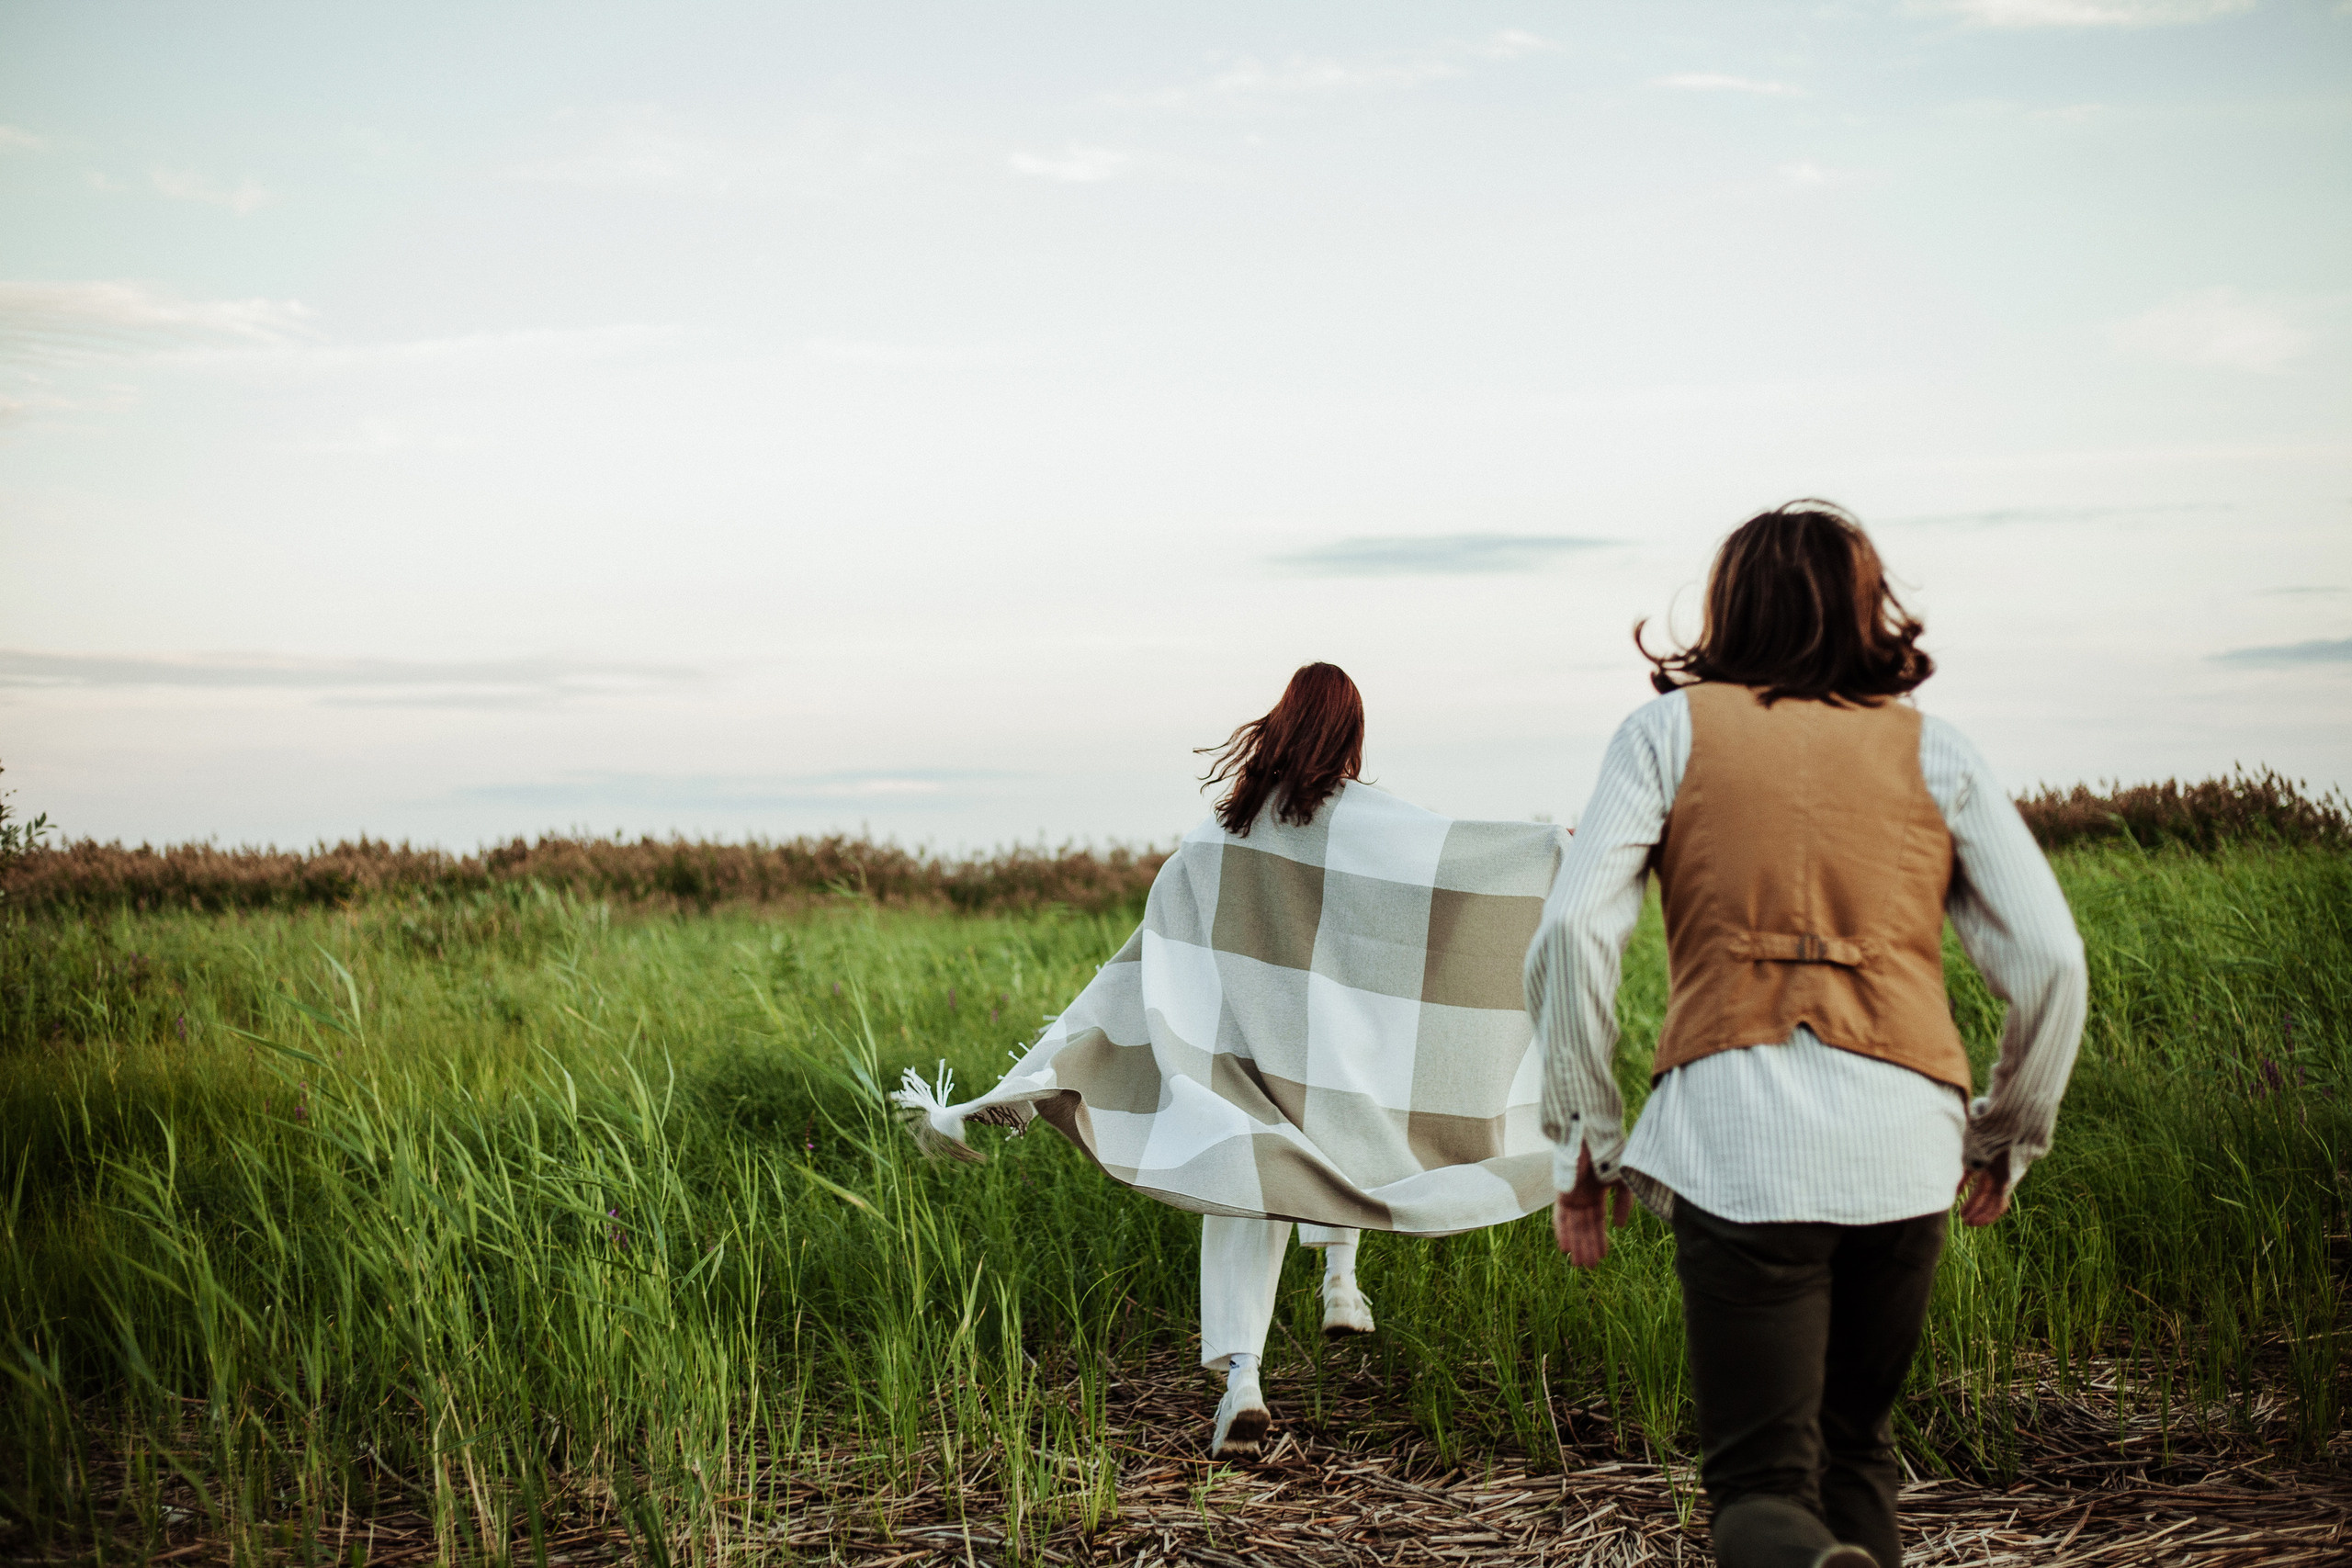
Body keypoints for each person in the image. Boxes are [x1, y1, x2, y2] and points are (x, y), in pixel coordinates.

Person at [1524, 502, 2087, 1568]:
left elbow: (1568, 932)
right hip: (1904, 1149)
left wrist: (1587, 1138)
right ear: (1869, 607)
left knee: (1760, 1485)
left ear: (1728, 606)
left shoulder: (1664, 735)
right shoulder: (1936, 752)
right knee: (1856, 1452)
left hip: (1734, 1144)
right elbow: (2052, 961)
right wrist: (2004, 1135)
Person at [894, 662, 1566, 1459]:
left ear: (1278, 724)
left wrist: (1078, 1049)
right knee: (1355, 1123)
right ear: (1350, 735)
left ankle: (1243, 1379)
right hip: (1330, 1066)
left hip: (1244, 1063)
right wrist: (1549, 850)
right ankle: (1340, 1279)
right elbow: (1447, 863)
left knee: (1243, 1190)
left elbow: (1158, 946)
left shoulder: (1219, 838)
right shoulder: (1369, 824)